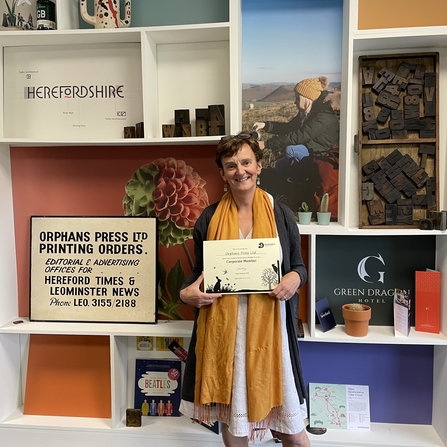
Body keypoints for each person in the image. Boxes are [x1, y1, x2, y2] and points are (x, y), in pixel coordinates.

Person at [179, 133, 310, 447]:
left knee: (293, 430)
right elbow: (198, 275)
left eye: (246, 162)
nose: (240, 171)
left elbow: (299, 267)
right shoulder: (209, 219)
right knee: (235, 423)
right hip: (228, 336)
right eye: (231, 165)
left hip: (273, 335)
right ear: (222, 173)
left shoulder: (282, 215)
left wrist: (295, 279)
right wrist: (188, 294)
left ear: (259, 165)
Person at [253, 76, 340, 181]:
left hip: (323, 156)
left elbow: (298, 136)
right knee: (279, 166)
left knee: (291, 151)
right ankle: (302, 175)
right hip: (312, 150)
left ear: (307, 98)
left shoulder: (323, 116)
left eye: (298, 98)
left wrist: (266, 144)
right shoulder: (310, 112)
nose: (295, 102)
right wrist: (266, 125)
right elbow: (290, 127)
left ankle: (301, 183)